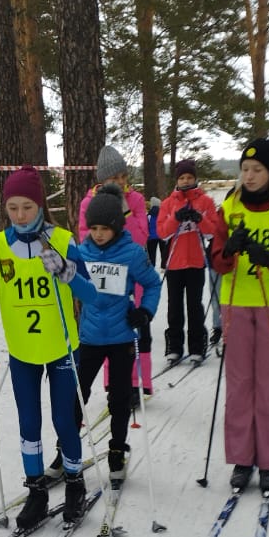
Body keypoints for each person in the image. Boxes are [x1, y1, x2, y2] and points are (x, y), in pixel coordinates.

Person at [0, 166, 98, 527]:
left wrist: (66, 272)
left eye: (28, 207)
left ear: (40, 206)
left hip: (62, 347)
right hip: (22, 351)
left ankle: (74, 486)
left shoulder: (63, 240)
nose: (20, 215)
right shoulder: (0, 245)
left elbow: (91, 294)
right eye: (13, 207)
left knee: (64, 420)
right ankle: (35, 491)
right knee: (29, 423)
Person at [208, 137, 269, 494]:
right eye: (245, 169)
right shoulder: (228, 207)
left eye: (257, 170)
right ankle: (242, 458)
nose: (249, 176)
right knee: (239, 385)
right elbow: (216, 260)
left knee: (268, 384)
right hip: (235, 301)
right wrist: (229, 251)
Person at [73, 189, 162, 484]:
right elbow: (68, 284)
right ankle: (68, 449)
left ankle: (117, 449)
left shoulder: (133, 252)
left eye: (105, 228)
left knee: (120, 399)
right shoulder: (82, 252)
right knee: (77, 395)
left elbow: (152, 284)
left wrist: (145, 311)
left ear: (117, 227)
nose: (98, 234)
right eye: (94, 228)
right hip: (89, 338)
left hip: (122, 337)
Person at [79, 145, 153, 396]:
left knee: (132, 328)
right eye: (114, 178)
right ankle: (113, 383)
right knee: (106, 325)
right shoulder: (89, 203)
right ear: (102, 180)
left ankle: (134, 383)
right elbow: (84, 238)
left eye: (123, 176)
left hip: (132, 272)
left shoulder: (136, 200)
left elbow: (141, 237)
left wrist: (124, 210)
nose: (121, 182)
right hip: (102, 275)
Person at [156, 159, 217, 362]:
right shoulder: (168, 203)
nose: (186, 181)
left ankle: (197, 347)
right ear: (177, 180)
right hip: (174, 263)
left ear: (195, 178)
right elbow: (162, 233)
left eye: (189, 177)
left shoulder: (205, 201)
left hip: (196, 263)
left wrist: (199, 218)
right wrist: (176, 217)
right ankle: (174, 346)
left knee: (194, 306)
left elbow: (212, 232)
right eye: (182, 177)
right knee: (174, 307)